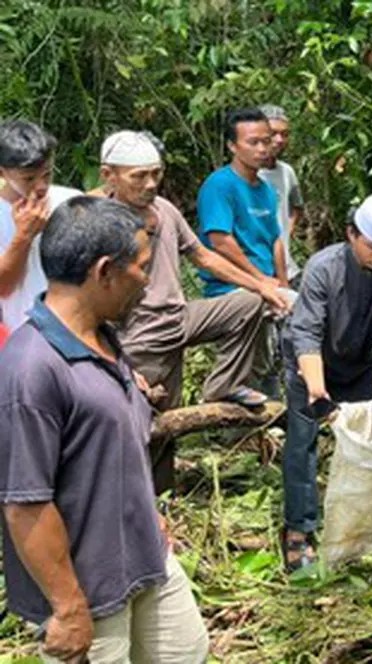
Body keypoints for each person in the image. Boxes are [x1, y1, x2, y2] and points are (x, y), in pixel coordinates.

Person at [0, 197, 208, 663]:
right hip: (88, 589)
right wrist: (69, 607)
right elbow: (25, 505)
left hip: (145, 558)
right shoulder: (32, 370)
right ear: (104, 272)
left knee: (188, 651)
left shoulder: (105, 339)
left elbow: (111, 447)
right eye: (142, 267)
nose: (148, 280)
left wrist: (146, 512)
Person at [96, 131, 289, 408]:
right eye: (138, 176)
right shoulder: (99, 222)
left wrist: (261, 285)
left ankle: (226, 385)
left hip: (178, 317)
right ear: (108, 175)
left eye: (156, 174)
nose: (150, 184)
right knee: (154, 424)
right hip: (139, 335)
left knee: (249, 303)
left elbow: (203, 256)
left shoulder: (164, 209)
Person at [283, 194, 372, 571]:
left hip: (359, 365)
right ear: (351, 234)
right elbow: (307, 333)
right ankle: (299, 530)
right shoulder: (323, 268)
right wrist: (317, 391)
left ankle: (371, 525)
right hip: (310, 363)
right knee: (302, 442)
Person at [0, 120, 83, 330]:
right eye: (28, 179)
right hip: (24, 333)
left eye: (47, 174)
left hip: (78, 328)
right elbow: (3, 288)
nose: (41, 186)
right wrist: (24, 236)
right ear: (3, 173)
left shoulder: (71, 201)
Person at [196, 108, 288, 296]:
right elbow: (220, 241)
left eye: (266, 141)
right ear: (232, 146)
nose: (262, 149)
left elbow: (275, 240)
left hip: (268, 285)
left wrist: (283, 283)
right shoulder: (220, 185)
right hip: (231, 288)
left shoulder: (267, 189)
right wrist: (259, 279)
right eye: (253, 143)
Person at [258, 104, 305, 285]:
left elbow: (297, 206)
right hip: (259, 273)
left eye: (284, 134)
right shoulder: (245, 176)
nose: (279, 140)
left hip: (288, 269)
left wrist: (286, 232)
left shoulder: (287, 172)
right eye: (273, 133)